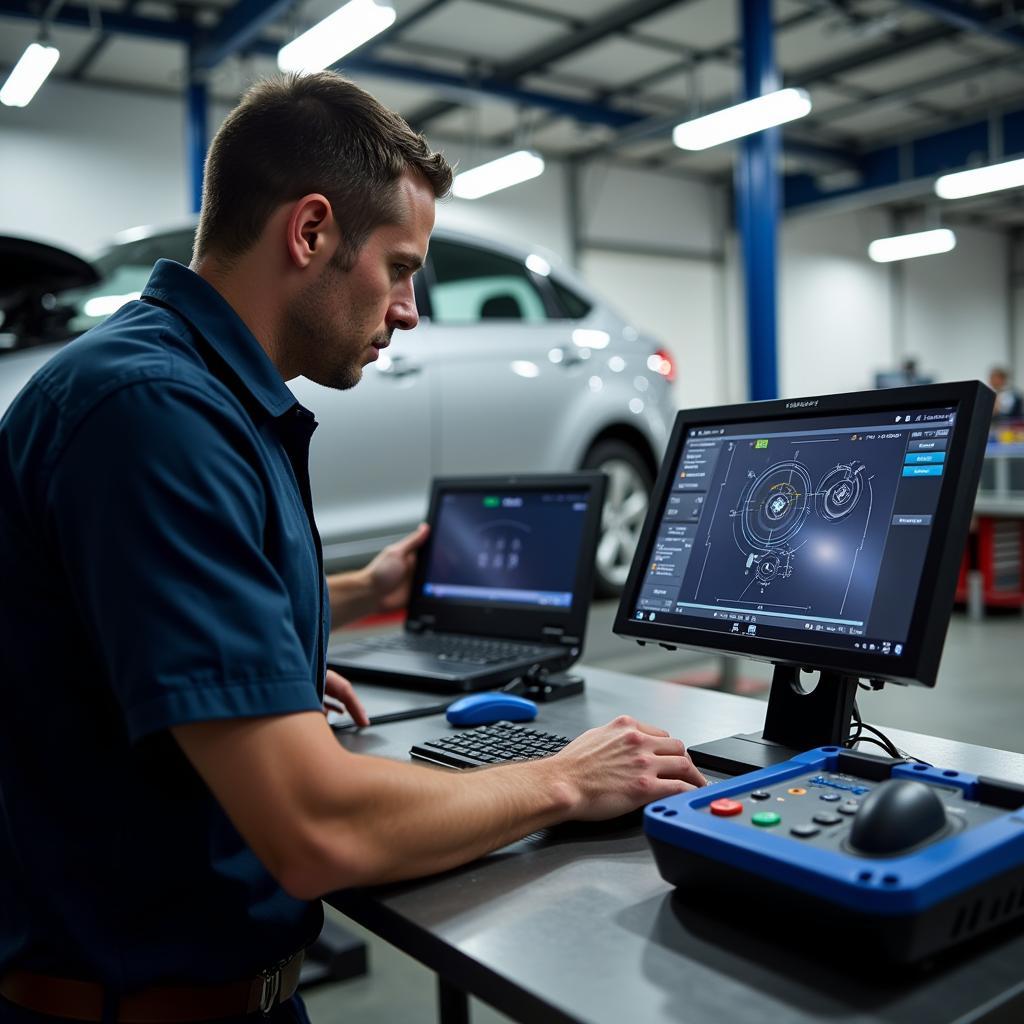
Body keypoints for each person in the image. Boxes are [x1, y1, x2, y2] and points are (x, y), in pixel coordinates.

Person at [0, 72, 705, 1023]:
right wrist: (563, 779)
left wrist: (331, 611)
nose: (410, 311)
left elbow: (146, 603)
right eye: (404, 267)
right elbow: (315, 828)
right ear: (311, 232)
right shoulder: (153, 412)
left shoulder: (190, 389)